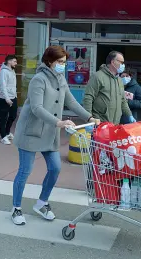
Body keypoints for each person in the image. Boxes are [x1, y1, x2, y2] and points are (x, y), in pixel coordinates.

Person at [11, 46, 100, 225]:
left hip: (50, 133)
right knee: (25, 171)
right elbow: (36, 108)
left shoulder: (60, 79)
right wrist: (59, 122)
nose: (62, 66)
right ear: (50, 61)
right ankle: (16, 208)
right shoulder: (39, 79)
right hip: (32, 132)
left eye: (64, 63)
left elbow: (71, 101)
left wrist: (89, 117)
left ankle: (42, 203)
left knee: (55, 168)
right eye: (60, 62)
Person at [83, 51, 134, 125]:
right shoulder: (98, 77)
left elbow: (123, 100)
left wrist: (129, 115)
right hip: (99, 123)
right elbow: (88, 98)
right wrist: (88, 119)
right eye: (121, 62)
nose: (123, 65)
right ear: (113, 62)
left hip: (115, 124)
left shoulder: (119, 80)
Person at [0, 55, 18, 145]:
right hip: (4, 99)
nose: (16, 63)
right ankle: (3, 136)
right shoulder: (3, 72)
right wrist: (7, 98)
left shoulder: (12, 71)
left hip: (13, 97)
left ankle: (7, 132)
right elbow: (3, 86)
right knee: (3, 118)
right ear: (9, 61)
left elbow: (13, 85)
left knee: (13, 116)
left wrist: (15, 96)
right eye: (14, 61)